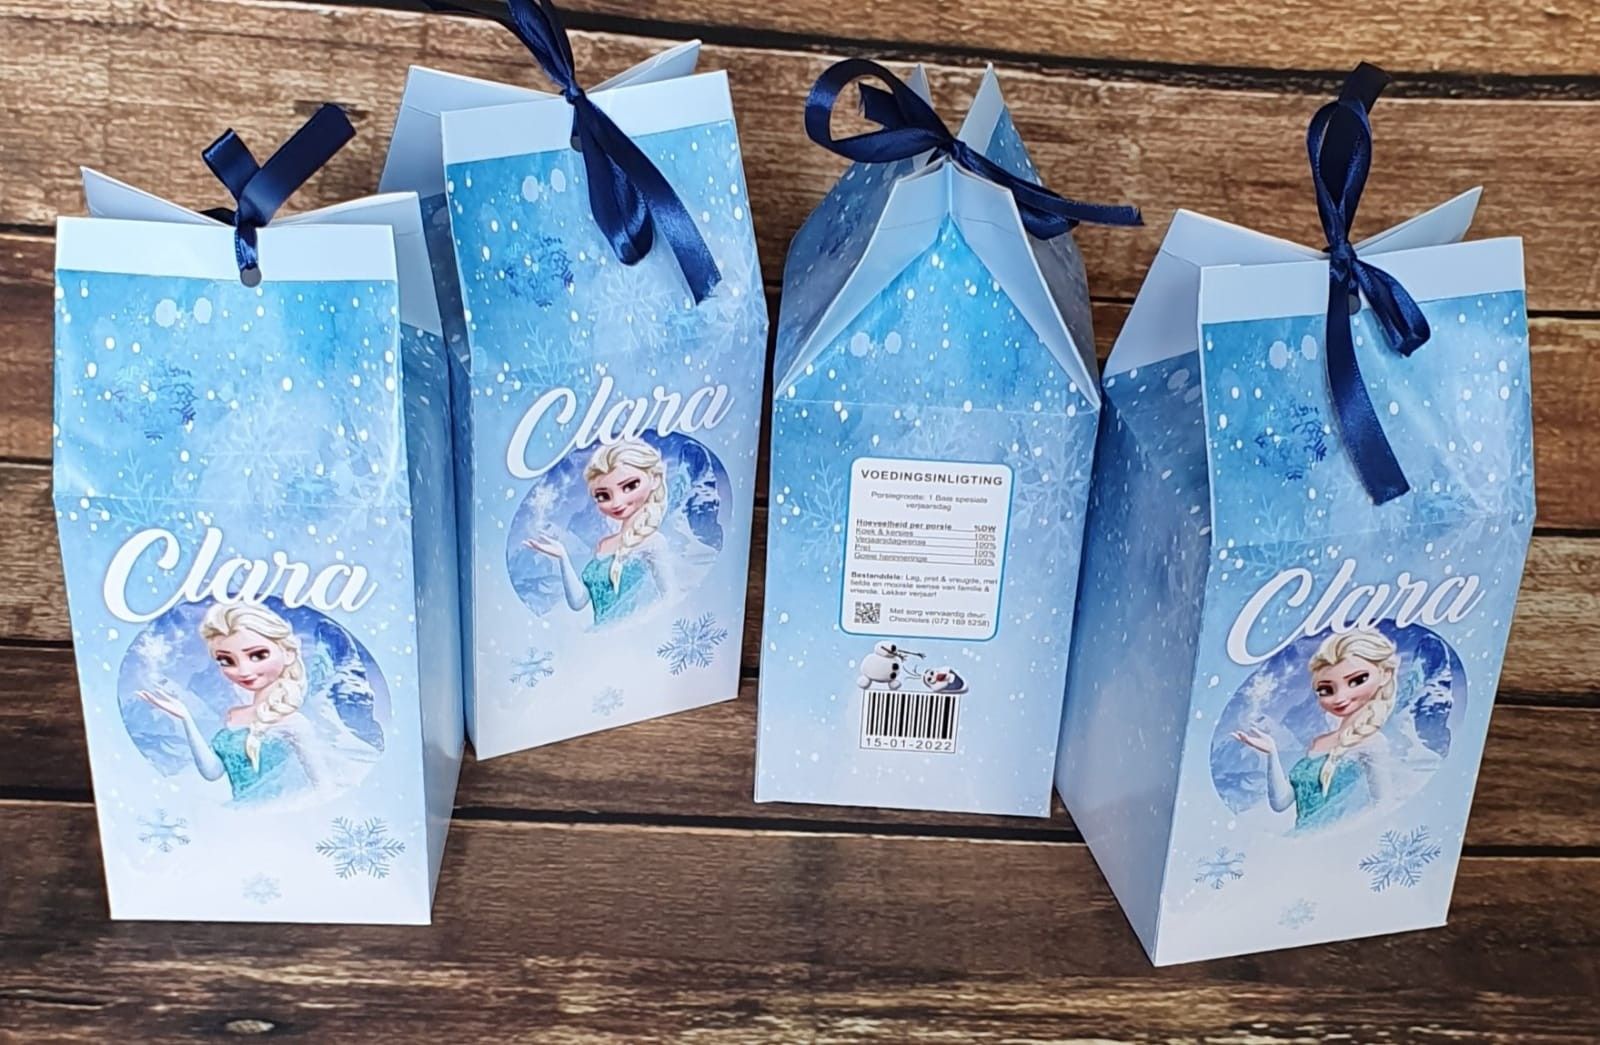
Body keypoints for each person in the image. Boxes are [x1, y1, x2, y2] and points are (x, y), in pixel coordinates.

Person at [137, 602, 330, 802]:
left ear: (288, 654)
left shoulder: (294, 722)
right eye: (227, 661)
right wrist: (186, 718)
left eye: (258, 655)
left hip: (281, 812)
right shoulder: (234, 715)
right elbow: (212, 772)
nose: (244, 671)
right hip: (239, 815)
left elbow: (324, 787)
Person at [1232, 627, 1399, 831]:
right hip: (1302, 841)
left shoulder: (1373, 742)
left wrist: (1338, 834)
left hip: (1339, 841)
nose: (1340, 698)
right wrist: (1271, 752)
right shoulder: (1319, 743)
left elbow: (1383, 806)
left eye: (1357, 681)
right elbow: (1281, 803)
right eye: (1326, 690)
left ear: (1385, 675)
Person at [525, 440, 674, 624]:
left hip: (636, 635)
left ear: (655, 480)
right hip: (602, 636)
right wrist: (562, 556)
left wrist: (633, 626)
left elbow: (670, 598)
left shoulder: (653, 542)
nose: (617, 502)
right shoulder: (604, 545)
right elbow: (578, 602)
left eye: (630, 486)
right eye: (603, 496)